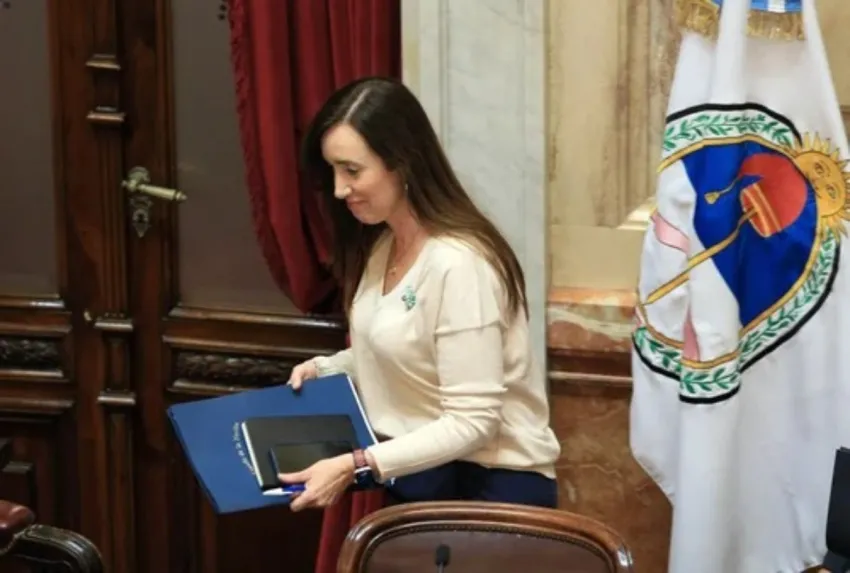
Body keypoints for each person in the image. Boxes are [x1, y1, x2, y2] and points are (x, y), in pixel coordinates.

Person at [279, 76, 561, 512]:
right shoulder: (383, 246)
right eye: (333, 171)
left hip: (487, 490)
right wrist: (329, 368)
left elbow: (474, 421)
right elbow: (409, 347)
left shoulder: (460, 263)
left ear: (402, 163)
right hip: (420, 479)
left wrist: (359, 463)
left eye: (352, 170)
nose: (338, 189)